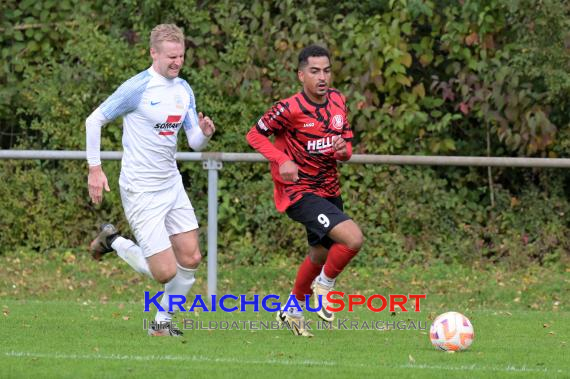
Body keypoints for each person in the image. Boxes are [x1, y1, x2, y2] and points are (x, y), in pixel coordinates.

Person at [85, 24, 216, 337]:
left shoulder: (184, 90)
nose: (177, 61)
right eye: (171, 56)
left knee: (192, 257)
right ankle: (112, 240)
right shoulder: (137, 87)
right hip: (140, 188)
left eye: (181, 55)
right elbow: (95, 119)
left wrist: (206, 134)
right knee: (165, 272)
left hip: (170, 184)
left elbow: (193, 142)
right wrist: (95, 168)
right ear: (153, 53)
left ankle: (161, 324)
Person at [246, 45, 363, 337]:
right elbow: (254, 134)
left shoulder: (338, 100)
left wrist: (341, 151)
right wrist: (281, 159)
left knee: (320, 253)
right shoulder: (289, 108)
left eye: (326, 70)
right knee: (352, 239)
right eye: (314, 71)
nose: (322, 77)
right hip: (298, 192)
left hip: (328, 189)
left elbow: (346, 149)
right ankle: (323, 286)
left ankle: (292, 308)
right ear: (301, 75)